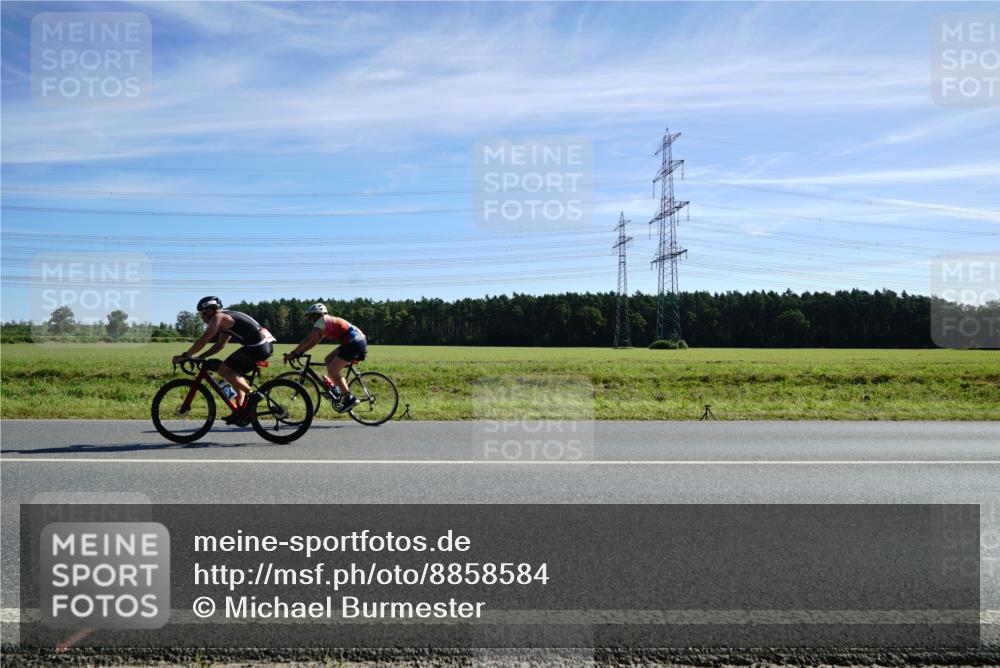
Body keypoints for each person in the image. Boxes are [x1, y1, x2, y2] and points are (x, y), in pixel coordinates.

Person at [172, 296, 276, 423]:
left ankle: (253, 394)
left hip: (257, 347)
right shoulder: (225, 318)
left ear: (209, 311)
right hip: (261, 346)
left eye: (202, 314)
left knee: (223, 370)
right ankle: (240, 411)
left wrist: (184, 356)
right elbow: (220, 345)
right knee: (232, 373)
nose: (201, 317)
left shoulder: (218, 318)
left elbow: (204, 340)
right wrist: (200, 357)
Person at [283, 303, 366, 412]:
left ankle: (349, 397)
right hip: (355, 341)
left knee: (332, 370)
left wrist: (294, 353)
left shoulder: (323, 320)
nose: (309, 320)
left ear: (317, 315)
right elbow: (313, 342)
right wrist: (299, 352)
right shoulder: (325, 324)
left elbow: (308, 339)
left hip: (354, 342)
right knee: (328, 359)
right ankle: (336, 389)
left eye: (310, 317)